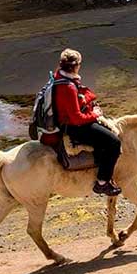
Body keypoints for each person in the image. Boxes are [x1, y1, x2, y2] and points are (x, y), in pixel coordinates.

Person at [52, 48, 122, 196]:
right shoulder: (68, 87)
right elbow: (76, 118)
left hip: (69, 124)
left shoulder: (59, 78)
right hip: (75, 128)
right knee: (114, 142)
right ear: (76, 65)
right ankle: (102, 182)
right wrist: (94, 114)